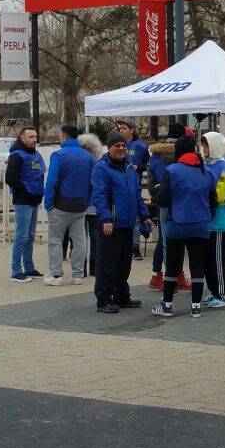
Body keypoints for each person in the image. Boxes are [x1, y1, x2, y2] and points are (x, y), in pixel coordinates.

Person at [151, 135, 215, 318]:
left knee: (173, 265)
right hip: (201, 224)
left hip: (177, 224)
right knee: (197, 265)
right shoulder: (207, 171)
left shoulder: (172, 170)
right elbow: (213, 199)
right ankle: (196, 307)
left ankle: (167, 305)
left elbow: (163, 199)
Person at [90, 132, 152, 313]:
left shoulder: (129, 168)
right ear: (109, 147)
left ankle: (122, 296)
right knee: (107, 263)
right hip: (111, 224)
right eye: (117, 145)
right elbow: (99, 196)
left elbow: (137, 195)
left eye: (124, 146)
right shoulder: (101, 168)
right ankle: (104, 300)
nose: (121, 148)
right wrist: (106, 219)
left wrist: (144, 215)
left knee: (124, 264)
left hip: (127, 223)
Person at [43, 125, 93, 286]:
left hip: (60, 205)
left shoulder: (58, 155)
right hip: (81, 205)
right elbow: (93, 182)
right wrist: (88, 201)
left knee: (55, 240)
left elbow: (51, 181)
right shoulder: (88, 157)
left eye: (60, 136)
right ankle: (78, 275)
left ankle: (56, 275)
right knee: (80, 240)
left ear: (64, 136)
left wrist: (48, 203)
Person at [146, 123, 193, 292]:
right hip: (177, 202)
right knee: (170, 242)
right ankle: (170, 278)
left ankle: (164, 275)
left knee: (166, 240)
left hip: (163, 200)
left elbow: (157, 178)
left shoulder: (156, 154)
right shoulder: (182, 152)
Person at [4, 127, 45, 283]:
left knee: (30, 236)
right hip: (23, 201)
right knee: (21, 237)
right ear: (22, 138)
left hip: (34, 200)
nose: (34, 139)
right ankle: (16, 270)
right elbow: (10, 179)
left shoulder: (36, 154)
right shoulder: (17, 156)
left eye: (35, 136)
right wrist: (26, 189)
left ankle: (29, 267)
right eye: (31, 137)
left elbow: (39, 174)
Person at [202, 131, 225, 307]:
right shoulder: (206, 164)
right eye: (203, 144)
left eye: (207, 144)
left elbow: (220, 195)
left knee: (218, 260)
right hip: (208, 219)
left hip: (220, 219)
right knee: (208, 259)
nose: (204, 148)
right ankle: (213, 291)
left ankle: (223, 295)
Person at [116, 119, 149, 260]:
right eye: (120, 128)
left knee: (135, 216)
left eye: (124, 128)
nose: (121, 130)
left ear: (132, 130)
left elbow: (147, 164)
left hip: (134, 185)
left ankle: (134, 247)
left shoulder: (141, 146)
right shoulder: (116, 144)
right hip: (118, 185)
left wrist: (138, 167)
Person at [77, 133, 104, 277]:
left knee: (92, 237)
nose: (85, 151)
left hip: (91, 204)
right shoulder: (97, 164)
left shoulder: (95, 164)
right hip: (85, 204)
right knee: (84, 238)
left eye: (86, 148)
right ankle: (85, 267)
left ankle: (91, 267)